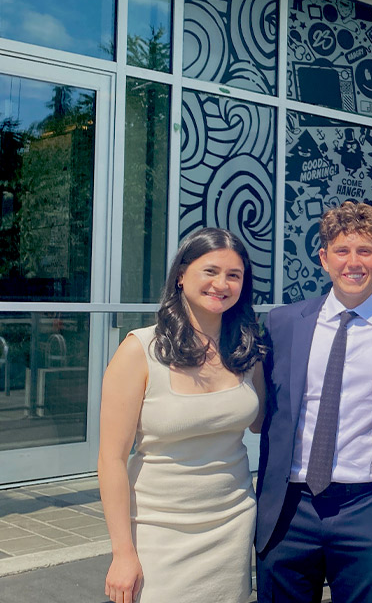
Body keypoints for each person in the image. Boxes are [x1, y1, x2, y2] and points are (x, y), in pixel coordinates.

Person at [255, 201, 372, 603]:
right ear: (324, 258)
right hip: (289, 509)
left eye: (365, 251)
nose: (353, 262)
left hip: (369, 508)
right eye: (342, 251)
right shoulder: (281, 324)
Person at [98, 228, 266, 603]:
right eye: (210, 271)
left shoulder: (246, 349)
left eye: (233, 275)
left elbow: (260, 421)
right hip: (160, 529)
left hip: (231, 525)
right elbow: (110, 459)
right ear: (181, 275)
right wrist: (122, 553)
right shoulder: (140, 350)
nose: (221, 284)